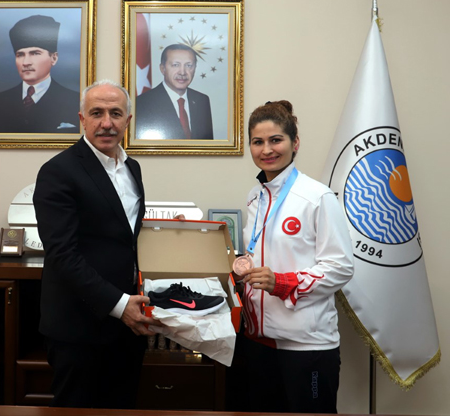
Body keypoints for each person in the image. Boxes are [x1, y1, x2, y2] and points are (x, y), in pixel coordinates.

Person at [33, 79, 162, 409]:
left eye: (116, 113)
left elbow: (125, 238)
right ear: (82, 119)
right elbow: (63, 254)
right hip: (79, 328)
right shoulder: (58, 171)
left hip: (128, 326)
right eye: (97, 113)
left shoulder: (132, 168)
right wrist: (119, 305)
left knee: (122, 408)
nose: (107, 122)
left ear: (128, 121)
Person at [233, 101, 354, 413]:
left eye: (276, 140)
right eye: (258, 141)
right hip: (257, 342)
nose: (266, 150)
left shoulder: (317, 197)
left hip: (306, 347)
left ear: (294, 142)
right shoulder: (254, 196)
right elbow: (263, 253)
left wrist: (282, 282)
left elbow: (340, 267)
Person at [0, 15, 80, 134]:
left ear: (54, 58)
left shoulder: (75, 101)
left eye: (35, 53)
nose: (26, 62)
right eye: (20, 55)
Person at [135, 44, 213, 140]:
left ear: (195, 68)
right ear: (162, 69)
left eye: (189, 65)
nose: (182, 72)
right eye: (175, 65)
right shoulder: (143, 103)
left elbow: (207, 145)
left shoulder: (202, 100)